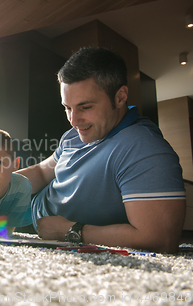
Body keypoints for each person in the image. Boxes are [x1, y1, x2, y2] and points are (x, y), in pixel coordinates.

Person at [17, 47, 186, 253]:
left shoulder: (144, 149)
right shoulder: (75, 135)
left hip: (40, 233)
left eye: (85, 107)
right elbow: (43, 171)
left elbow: (160, 239)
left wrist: (70, 231)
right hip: (19, 210)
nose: (73, 120)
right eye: (67, 108)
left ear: (120, 97)